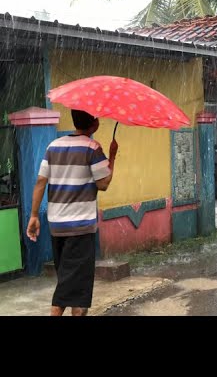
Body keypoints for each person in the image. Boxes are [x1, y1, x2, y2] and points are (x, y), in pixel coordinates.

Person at [26, 110, 118, 316]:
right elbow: (103, 183)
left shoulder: (53, 146)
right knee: (71, 291)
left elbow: (41, 181)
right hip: (80, 229)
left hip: (57, 227)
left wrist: (33, 216)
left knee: (72, 285)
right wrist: (112, 156)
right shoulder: (92, 148)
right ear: (94, 123)